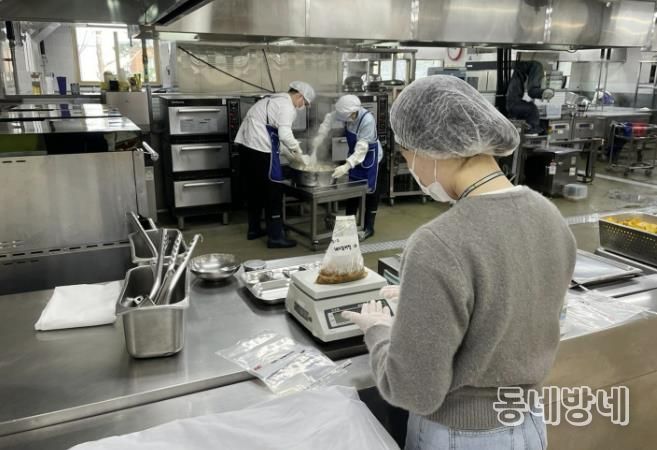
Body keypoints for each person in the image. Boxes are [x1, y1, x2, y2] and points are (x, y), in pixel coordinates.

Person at [342, 76, 576, 449]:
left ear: (433, 150)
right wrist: (430, 303)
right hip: (529, 424)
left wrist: (379, 331)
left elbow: (414, 391)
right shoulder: (548, 214)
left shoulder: (437, 243)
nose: (412, 168)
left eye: (407, 155)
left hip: (461, 435)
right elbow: (518, 306)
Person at [235, 81, 315, 248]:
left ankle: (254, 229)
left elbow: (275, 138)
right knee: (274, 191)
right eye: (305, 103)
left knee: (255, 190)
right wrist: (299, 153)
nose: (303, 107)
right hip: (260, 150)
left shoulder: (271, 100)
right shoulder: (287, 106)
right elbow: (285, 135)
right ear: (299, 95)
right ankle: (276, 237)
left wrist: (292, 157)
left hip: (246, 148)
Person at [311, 95, 383, 241]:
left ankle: (369, 228)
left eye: (346, 117)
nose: (344, 120)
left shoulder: (367, 120)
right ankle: (348, 226)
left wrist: (346, 166)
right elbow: (329, 118)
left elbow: (362, 148)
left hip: (371, 159)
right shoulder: (344, 112)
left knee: (370, 194)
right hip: (354, 158)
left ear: (353, 113)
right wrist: (319, 137)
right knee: (353, 192)